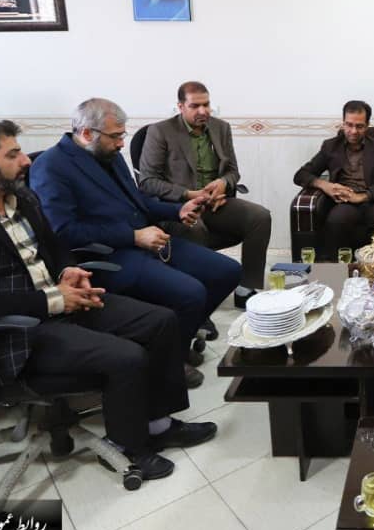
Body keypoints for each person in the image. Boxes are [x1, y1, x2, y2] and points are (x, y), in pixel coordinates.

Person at [0, 118, 217, 482]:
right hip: (11, 335)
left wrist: (68, 270)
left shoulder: (20, 198)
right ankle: (128, 447)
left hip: (58, 305)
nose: (26, 161)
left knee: (160, 321)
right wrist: (50, 302)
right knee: (127, 356)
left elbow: (55, 246)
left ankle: (158, 425)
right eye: (13, 154)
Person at [29, 98, 243, 389]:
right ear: (87, 133)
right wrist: (132, 236)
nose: (121, 143)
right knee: (191, 293)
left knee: (227, 271)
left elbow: (137, 200)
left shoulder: (110, 155)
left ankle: (172, 344)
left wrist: (177, 210)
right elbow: (63, 231)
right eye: (115, 136)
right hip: (106, 255)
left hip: (144, 241)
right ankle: (167, 362)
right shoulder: (51, 167)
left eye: (122, 135)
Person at [139, 81, 271, 319]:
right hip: (178, 207)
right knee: (195, 229)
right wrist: (188, 195)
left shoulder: (221, 128)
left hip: (215, 203)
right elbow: (147, 182)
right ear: (181, 106)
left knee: (259, 217)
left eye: (206, 104)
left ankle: (246, 288)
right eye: (195, 106)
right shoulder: (160, 131)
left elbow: (232, 171)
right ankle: (200, 300)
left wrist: (223, 184)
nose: (203, 111)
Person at [293, 100, 374, 254]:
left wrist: (362, 196)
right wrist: (325, 185)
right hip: (345, 201)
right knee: (336, 221)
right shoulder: (330, 147)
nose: (353, 131)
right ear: (343, 123)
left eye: (359, 126)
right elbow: (301, 175)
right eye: (349, 125)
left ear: (367, 126)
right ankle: (337, 267)